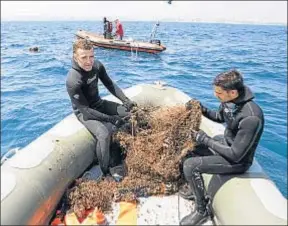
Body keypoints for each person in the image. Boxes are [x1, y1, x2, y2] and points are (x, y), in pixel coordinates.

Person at [179, 69, 264, 225]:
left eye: (219, 93)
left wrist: (204, 139)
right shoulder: (229, 102)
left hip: (238, 161)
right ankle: (195, 189)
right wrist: (202, 109)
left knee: (190, 165)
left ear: (232, 92)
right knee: (191, 147)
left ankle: (202, 210)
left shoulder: (251, 116)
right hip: (227, 144)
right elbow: (219, 117)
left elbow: (235, 155)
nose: (215, 96)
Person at [66, 39, 137, 177]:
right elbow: (85, 111)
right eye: (84, 57)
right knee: (103, 134)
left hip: (98, 104)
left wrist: (126, 100)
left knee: (129, 112)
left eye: (91, 56)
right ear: (75, 57)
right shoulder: (73, 80)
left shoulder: (97, 66)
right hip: (84, 113)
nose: (89, 61)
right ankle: (105, 173)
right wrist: (111, 119)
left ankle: (121, 153)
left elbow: (110, 85)